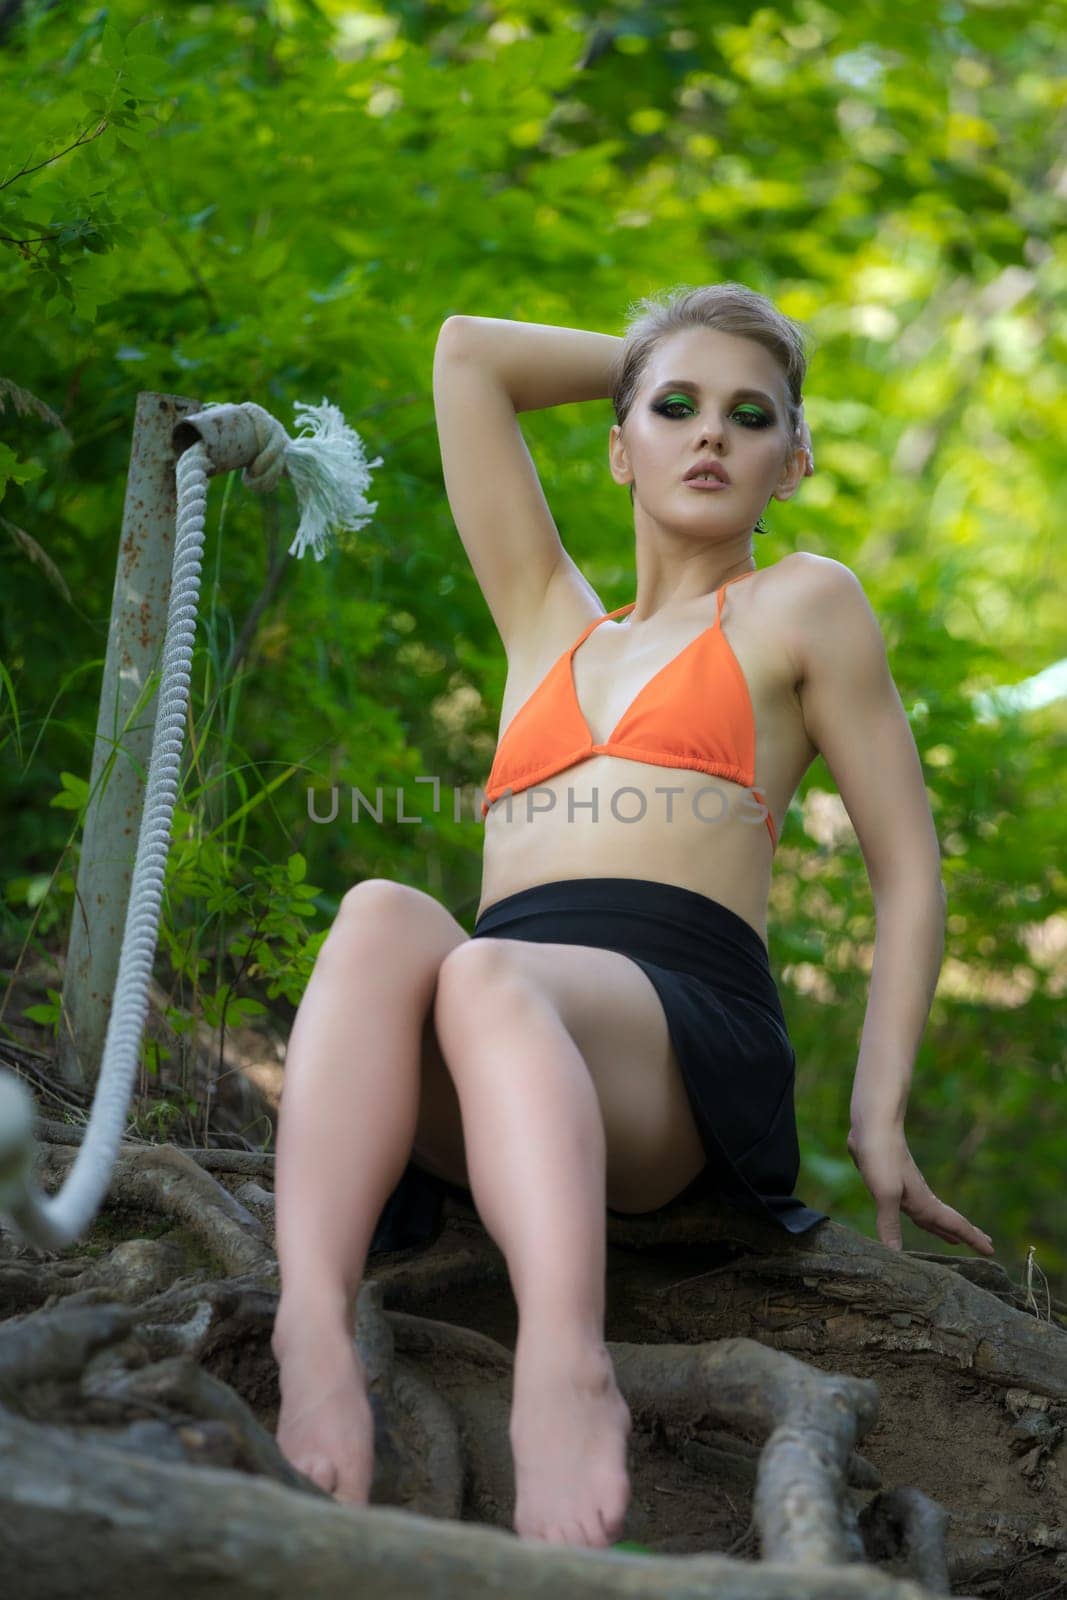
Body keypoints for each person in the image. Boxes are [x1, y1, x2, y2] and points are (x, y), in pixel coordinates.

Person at [269, 283, 996, 1552]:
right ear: (618, 444)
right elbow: (466, 351)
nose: (708, 434)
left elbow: (909, 870)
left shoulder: (799, 606)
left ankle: (566, 1367)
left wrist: (876, 1114)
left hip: (671, 1047)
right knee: (385, 913)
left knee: (493, 975)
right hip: (494, 1053)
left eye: (749, 417)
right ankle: (311, 1326)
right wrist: (672, 360)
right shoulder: (545, 621)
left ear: (793, 460)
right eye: (674, 410)